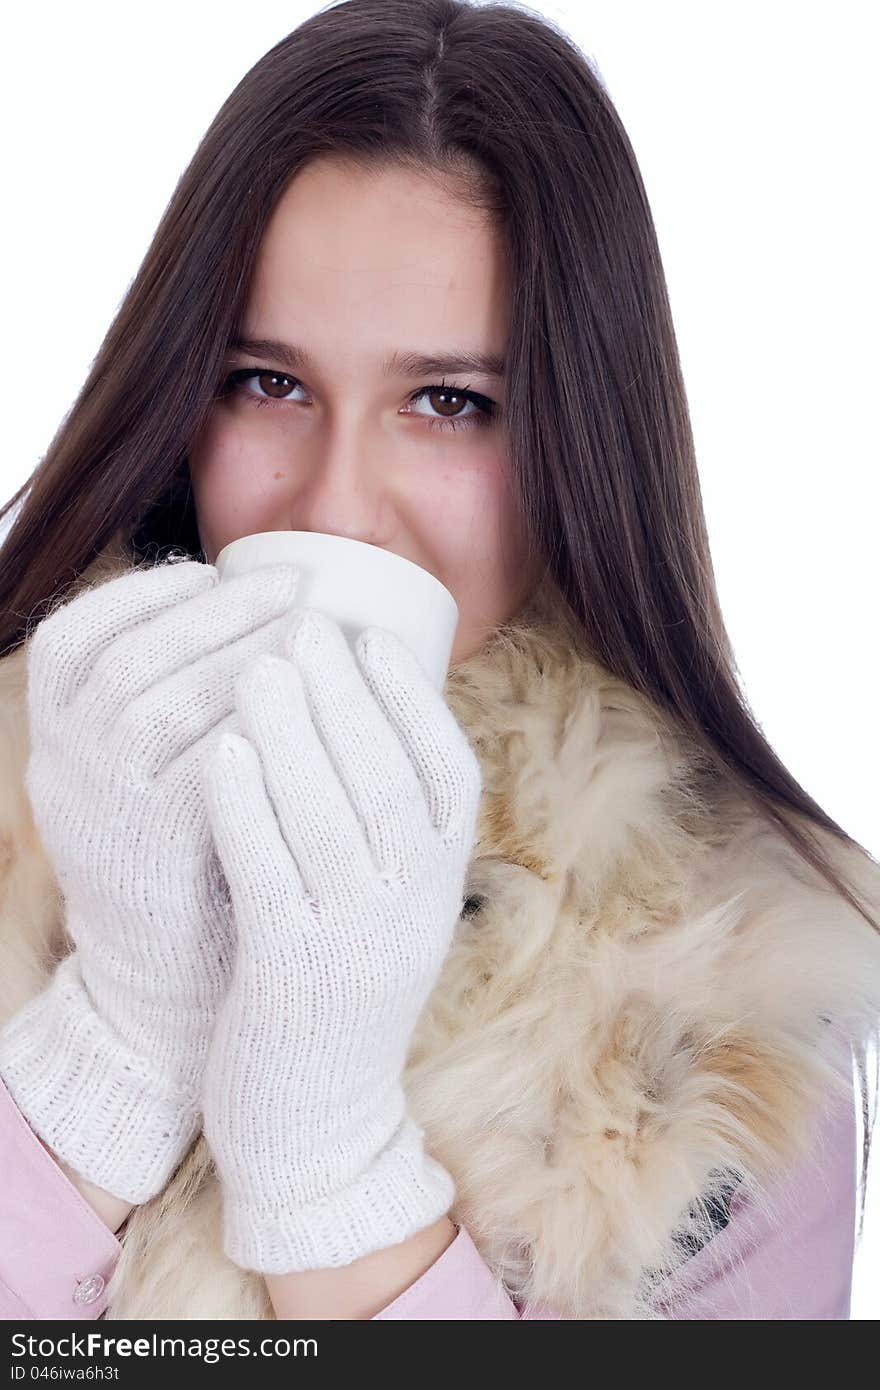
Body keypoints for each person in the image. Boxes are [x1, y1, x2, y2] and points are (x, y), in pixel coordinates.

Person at [0, 0, 878, 1321]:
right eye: (267, 382)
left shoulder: (731, 1015)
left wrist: (332, 1173)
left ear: (580, 444)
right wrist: (120, 1043)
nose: (337, 506)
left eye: (450, 403)